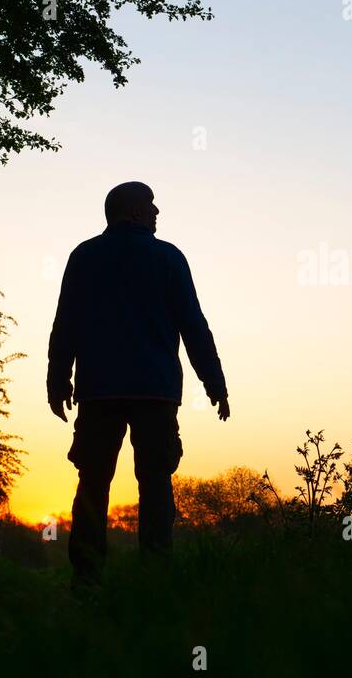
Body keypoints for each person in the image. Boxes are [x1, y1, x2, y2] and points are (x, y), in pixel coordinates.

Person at [47, 181, 229, 595]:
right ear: (130, 212)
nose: (157, 211)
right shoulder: (168, 258)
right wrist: (213, 380)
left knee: (93, 483)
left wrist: (58, 380)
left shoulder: (84, 256)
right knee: (156, 483)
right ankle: (156, 580)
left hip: (99, 391)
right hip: (156, 391)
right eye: (149, 204)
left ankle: (87, 581)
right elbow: (193, 325)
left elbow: (66, 325)